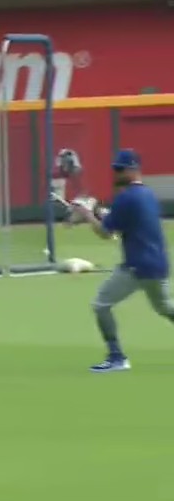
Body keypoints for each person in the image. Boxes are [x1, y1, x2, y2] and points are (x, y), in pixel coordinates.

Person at [71, 150, 174, 373]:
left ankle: (116, 357)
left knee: (100, 306)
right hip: (158, 264)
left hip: (137, 266)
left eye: (119, 169)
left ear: (132, 170)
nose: (115, 173)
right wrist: (96, 211)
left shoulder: (126, 198)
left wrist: (87, 214)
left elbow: (106, 233)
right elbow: (121, 220)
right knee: (165, 307)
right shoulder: (146, 195)